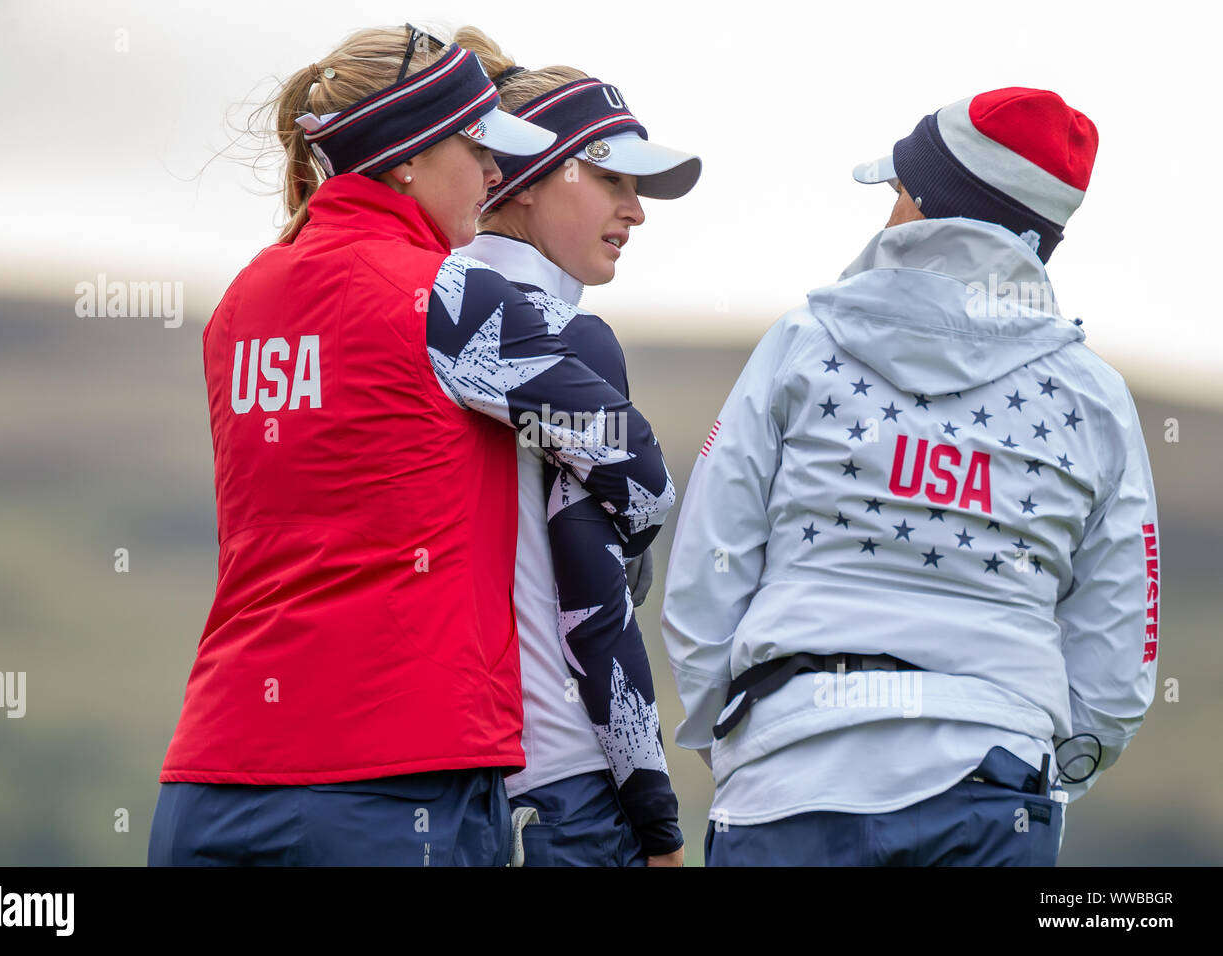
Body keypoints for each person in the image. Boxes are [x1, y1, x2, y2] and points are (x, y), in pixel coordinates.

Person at [148, 23, 675, 867]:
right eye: (478, 149)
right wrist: (625, 543)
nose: (498, 176)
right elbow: (634, 467)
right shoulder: (443, 294)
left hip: (211, 777)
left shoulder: (241, 299)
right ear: (407, 161)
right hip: (395, 785)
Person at [660, 87, 1160, 866]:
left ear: (927, 203)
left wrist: (738, 736)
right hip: (997, 788)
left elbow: (705, 570)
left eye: (896, 189)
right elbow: (1121, 641)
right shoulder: (1097, 399)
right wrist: (1053, 766)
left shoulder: (802, 343)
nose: (886, 209)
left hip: (788, 776)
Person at [454, 34, 701, 866]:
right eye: (611, 181)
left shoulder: (416, 311)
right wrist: (656, 817)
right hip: (568, 780)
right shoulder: (572, 335)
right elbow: (593, 609)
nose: (635, 211)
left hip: (444, 782)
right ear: (523, 178)